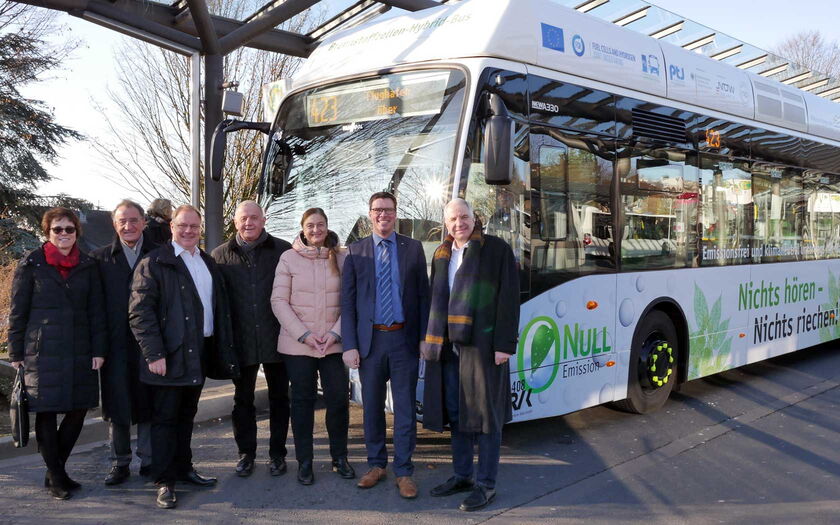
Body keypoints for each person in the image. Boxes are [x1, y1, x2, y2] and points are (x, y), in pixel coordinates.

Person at [129, 204, 239, 509]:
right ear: (172, 227)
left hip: (198, 352)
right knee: (165, 420)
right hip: (167, 356)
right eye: (182, 226)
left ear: (200, 228)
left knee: (186, 416)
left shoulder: (206, 261)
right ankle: (165, 481)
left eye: (194, 226)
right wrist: (154, 353)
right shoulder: (154, 262)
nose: (188, 231)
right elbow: (140, 313)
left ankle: (184, 469)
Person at [420, 198, 520, 512]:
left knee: (486, 416)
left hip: (484, 346)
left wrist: (505, 344)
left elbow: (509, 298)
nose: (459, 223)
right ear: (445, 223)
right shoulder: (441, 254)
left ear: (474, 218)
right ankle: (463, 475)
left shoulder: (496, 249)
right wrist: (429, 339)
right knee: (457, 413)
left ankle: (486, 484)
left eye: (464, 217)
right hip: (449, 347)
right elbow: (435, 299)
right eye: (453, 219)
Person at [7, 207, 108, 500]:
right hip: (42, 351)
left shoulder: (88, 265)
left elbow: (97, 312)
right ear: (48, 232)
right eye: (57, 229)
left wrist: (99, 349)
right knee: (47, 411)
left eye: (69, 229)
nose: (64, 234)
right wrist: (15, 351)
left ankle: (55, 472)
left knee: (78, 410)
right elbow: (18, 312)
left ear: (77, 232)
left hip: (80, 349)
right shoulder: (31, 264)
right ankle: (57, 476)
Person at [341, 191, 430, 499]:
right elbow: (347, 302)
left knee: (405, 409)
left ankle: (404, 471)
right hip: (371, 342)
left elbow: (423, 296)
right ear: (370, 214)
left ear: (395, 213)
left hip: (404, 339)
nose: (383, 214)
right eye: (378, 209)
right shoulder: (356, 252)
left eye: (388, 209)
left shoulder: (413, 248)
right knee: (372, 409)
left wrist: (424, 338)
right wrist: (349, 344)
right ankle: (376, 465)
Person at [271, 208, 353, 486]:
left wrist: (335, 333)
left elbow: (351, 300)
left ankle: (339, 457)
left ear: (327, 227)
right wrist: (303, 335)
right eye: (310, 226)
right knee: (302, 403)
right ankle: (304, 461)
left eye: (320, 225)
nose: (316, 230)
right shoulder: (288, 258)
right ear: (303, 229)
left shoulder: (343, 257)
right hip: (298, 346)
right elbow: (279, 301)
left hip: (333, 344)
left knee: (338, 400)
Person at [211, 201, 292, 478]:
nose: (249, 223)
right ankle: (246, 454)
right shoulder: (220, 256)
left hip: (277, 338)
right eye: (244, 218)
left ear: (264, 220)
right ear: (235, 222)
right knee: (242, 400)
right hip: (240, 341)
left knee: (280, 399)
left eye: (254, 218)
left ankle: (278, 454)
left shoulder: (283, 251)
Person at [92, 200, 157, 485]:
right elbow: (94, 307)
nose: (128, 226)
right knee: (117, 406)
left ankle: (149, 460)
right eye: (122, 221)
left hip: (150, 343)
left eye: (133, 220)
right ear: (114, 224)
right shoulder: (99, 258)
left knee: (149, 403)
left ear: (144, 222)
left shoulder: (159, 253)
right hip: (115, 345)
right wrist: (98, 347)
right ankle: (119, 462)